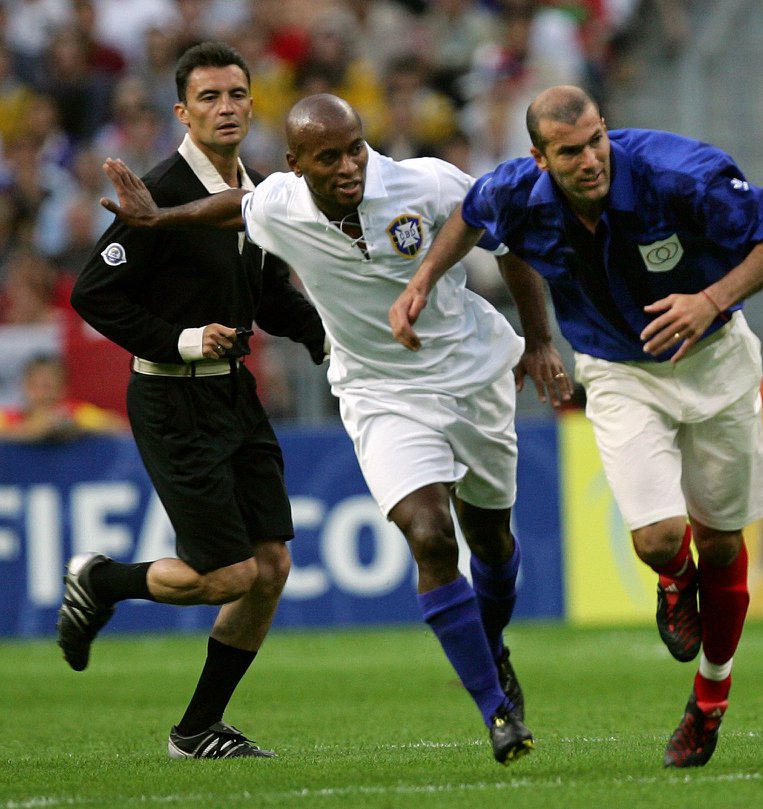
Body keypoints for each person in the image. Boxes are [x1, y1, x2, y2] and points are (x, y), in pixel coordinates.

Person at [98, 92, 566, 766]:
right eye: (329, 157)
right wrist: (159, 217)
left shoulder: (425, 182)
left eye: (355, 149)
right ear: (295, 164)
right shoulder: (282, 202)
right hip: (380, 394)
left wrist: (540, 340)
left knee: (490, 537)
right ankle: (495, 707)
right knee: (431, 536)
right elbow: (237, 207)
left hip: (475, 377)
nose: (350, 166)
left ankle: (493, 648)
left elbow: (510, 235)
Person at [390, 84, 763, 768]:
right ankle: (675, 584)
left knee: (722, 544)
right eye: (569, 152)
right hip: (618, 370)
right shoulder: (516, 191)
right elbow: (469, 213)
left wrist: (710, 298)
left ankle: (709, 700)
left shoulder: (680, 173)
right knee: (660, 538)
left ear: (605, 131)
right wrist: (423, 281)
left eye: (595, 142)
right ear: (539, 156)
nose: (589, 160)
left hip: (716, 359)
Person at [62, 41, 328, 760]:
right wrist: (181, 339)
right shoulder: (161, 192)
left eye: (237, 94)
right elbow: (93, 291)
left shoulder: (261, 191)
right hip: (170, 398)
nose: (226, 107)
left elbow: (270, 293)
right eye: (209, 97)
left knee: (270, 567)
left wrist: (327, 342)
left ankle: (197, 729)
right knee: (230, 572)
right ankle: (101, 578)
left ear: (253, 102)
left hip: (235, 398)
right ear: (183, 111)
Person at [0, 353, 126, 442]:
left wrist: (77, 428)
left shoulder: (76, 413)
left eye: (50, 386)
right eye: (37, 386)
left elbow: (119, 426)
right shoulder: (9, 418)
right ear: (25, 387)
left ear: (63, 389)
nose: (44, 394)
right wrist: (27, 431)